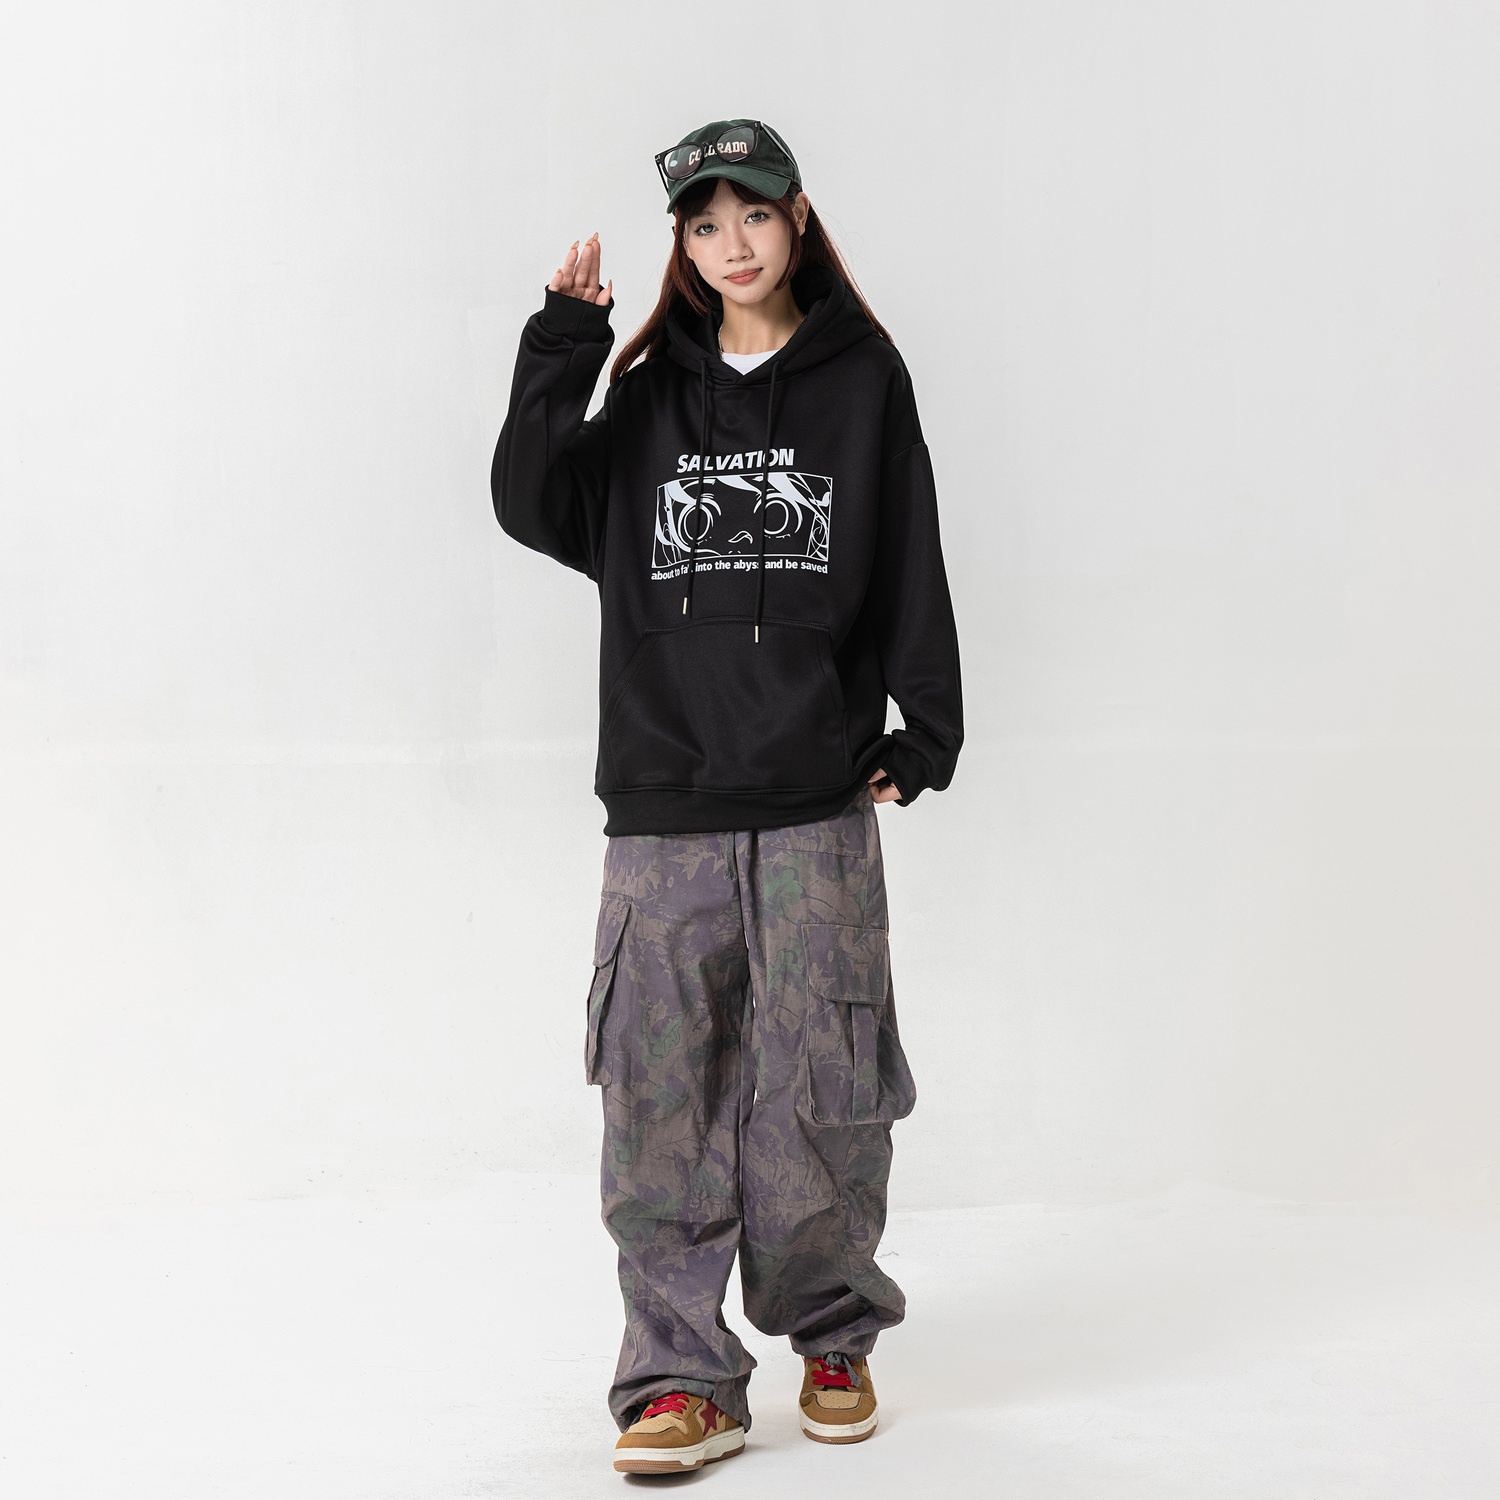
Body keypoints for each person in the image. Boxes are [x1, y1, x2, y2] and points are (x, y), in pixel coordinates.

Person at [491, 118, 963, 1476]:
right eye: (704, 225)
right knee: (659, 1100)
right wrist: (564, 344)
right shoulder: (649, 395)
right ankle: (678, 1379)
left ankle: (831, 1332)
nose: (733, 244)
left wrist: (926, 727)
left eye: (753, 214)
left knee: (823, 1087)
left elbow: (908, 549)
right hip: (666, 800)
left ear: (797, 218)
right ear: (683, 246)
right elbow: (534, 502)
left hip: (815, 794)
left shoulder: (863, 379)